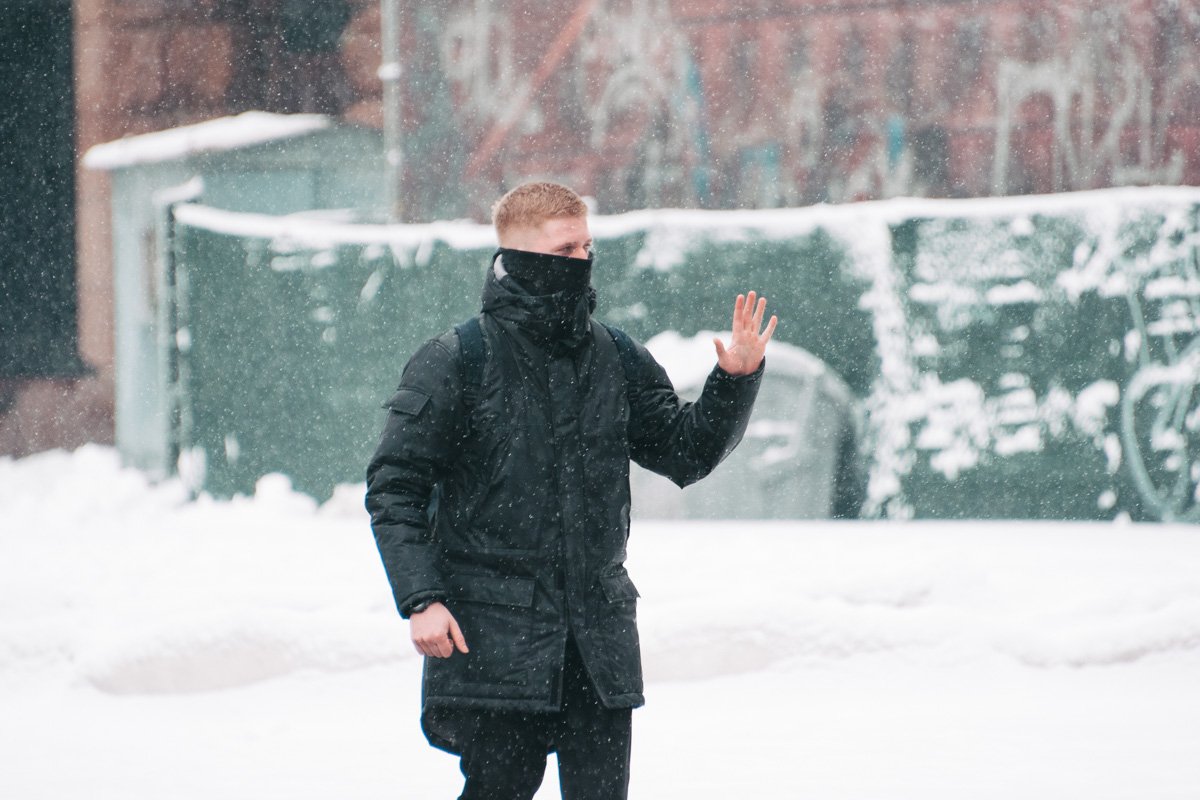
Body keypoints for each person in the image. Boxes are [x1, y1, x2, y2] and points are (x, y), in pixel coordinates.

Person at [365, 181, 777, 800]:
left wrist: (734, 380)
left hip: (598, 639)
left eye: (587, 245)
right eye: (566, 248)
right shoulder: (456, 358)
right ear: (522, 255)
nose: (583, 261)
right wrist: (421, 598)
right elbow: (394, 488)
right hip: (496, 638)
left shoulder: (616, 354)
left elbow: (684, 453)